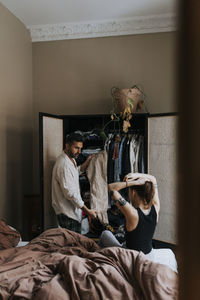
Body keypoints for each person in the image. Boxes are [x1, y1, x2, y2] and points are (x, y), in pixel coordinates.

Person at [100, 172, 178, 273]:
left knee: (105, 234)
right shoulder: (156, 207)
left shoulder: (133, 214)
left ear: (133, 193)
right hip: (150, 255)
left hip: (131, 257)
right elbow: (153, 179)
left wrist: (131, 183)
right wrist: (138, 177)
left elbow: (111, 188)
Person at [52, 132, 97, 234]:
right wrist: (87, 211)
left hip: (72, 212)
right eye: (76, 148)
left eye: (80, 148)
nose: (79, 151)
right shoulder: (63, 164)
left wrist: (88, 161)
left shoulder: (71, 159)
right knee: (72, 246)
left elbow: (75, 172)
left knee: (74, 244)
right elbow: (70, 193)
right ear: (67, 146)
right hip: (67, 213)